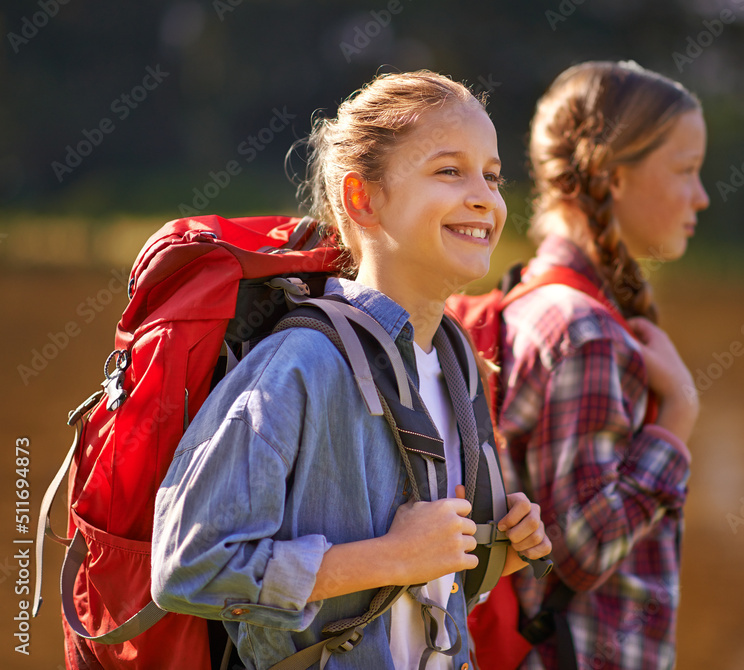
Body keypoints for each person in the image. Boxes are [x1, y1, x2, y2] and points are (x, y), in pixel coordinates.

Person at [150, 71, 551, 669]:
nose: (485, 198)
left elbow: (423, 596)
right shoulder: (302, 365)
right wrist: (392, 556)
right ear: (362, 199)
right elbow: (189, 564)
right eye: (449, 171)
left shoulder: (455, 358)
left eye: (492, 176)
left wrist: (492, 553)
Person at [496, 61, 708, 669]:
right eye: (686, 170)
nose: (701, 195)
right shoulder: (584, 331)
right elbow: (579, 550)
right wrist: (677, 419)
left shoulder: (528, 294)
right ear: (614, 176)